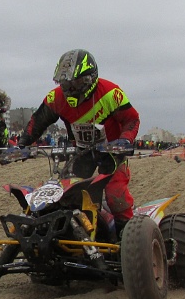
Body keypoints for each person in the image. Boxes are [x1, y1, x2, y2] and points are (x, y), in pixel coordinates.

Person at [13, 49, 141, 232]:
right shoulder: (56, 97)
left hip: (112, 152)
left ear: (91, 78)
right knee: (67, 195)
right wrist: (21, 145)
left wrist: (125, 141)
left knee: (115, 194)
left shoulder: (110, 93)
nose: (71, 89)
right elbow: (37, 122)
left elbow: (132, 119)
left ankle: (128, 232)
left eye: (77, 83)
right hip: (80, 153)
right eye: (66, 84)